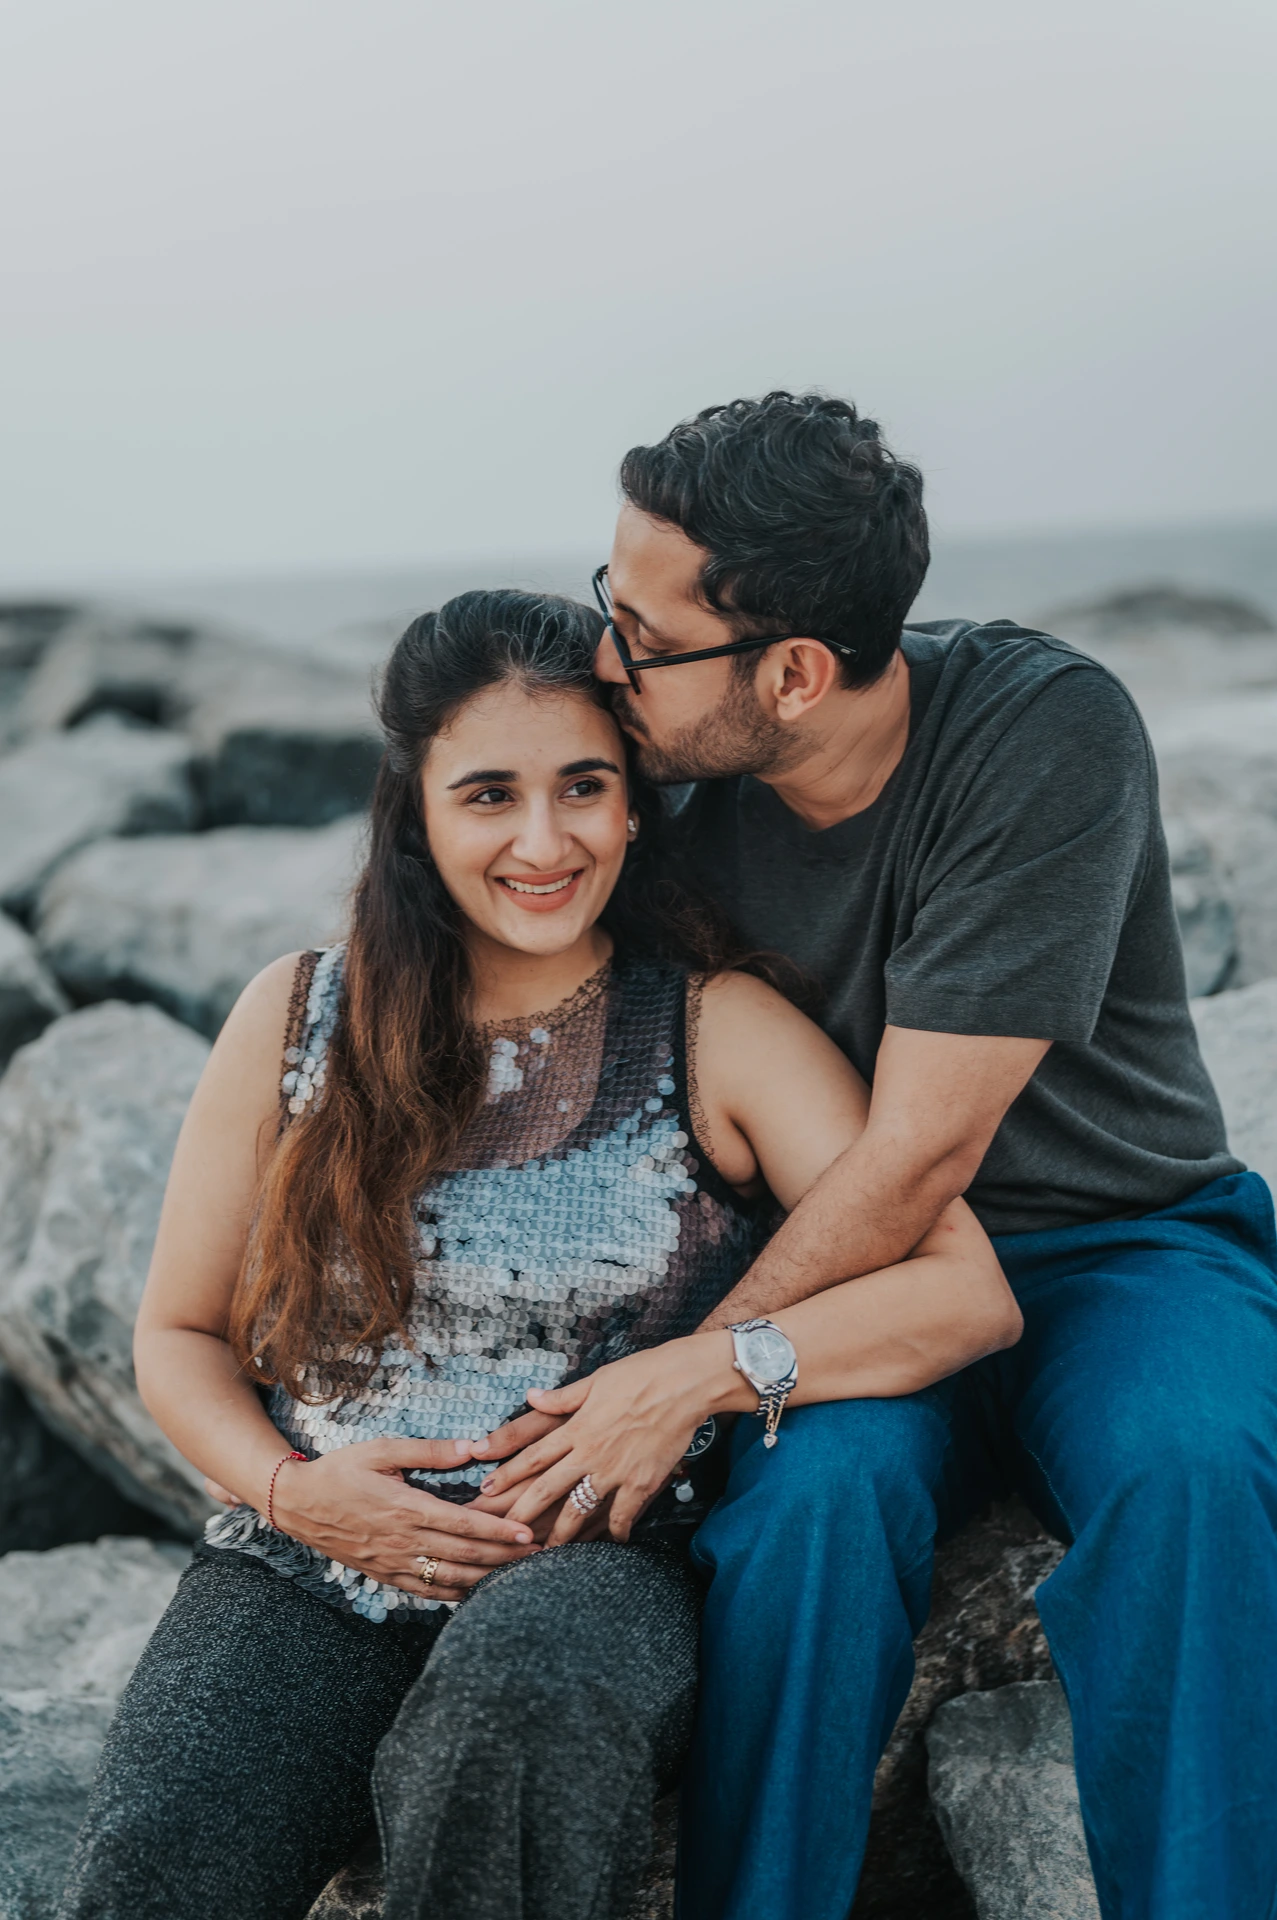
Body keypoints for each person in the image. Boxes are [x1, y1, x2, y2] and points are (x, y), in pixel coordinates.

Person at [58, 589, 1019, 1920]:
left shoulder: (714, 1027)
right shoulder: (295, 1017)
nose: (545, 840)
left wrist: (702, 1375)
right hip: (310, 1565)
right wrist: (290, 1492)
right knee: (166, 1848)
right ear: (418, 809)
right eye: (490, 795)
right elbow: (176, 1337)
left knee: (514, 1724)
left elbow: (965, 1289)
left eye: (585, 787)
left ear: (636, 804)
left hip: (597, 1572)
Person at [476, 393, 1277, 1920]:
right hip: (850, 1285)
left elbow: (917, 1159)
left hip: (1119, 1245)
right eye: (608, 605)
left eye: (642, 633)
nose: (605, 660)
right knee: (807, 1518)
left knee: (1195, 1477)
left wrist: (697, 1371)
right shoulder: (664, 783)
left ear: (791, 672)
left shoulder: (1043, 730)